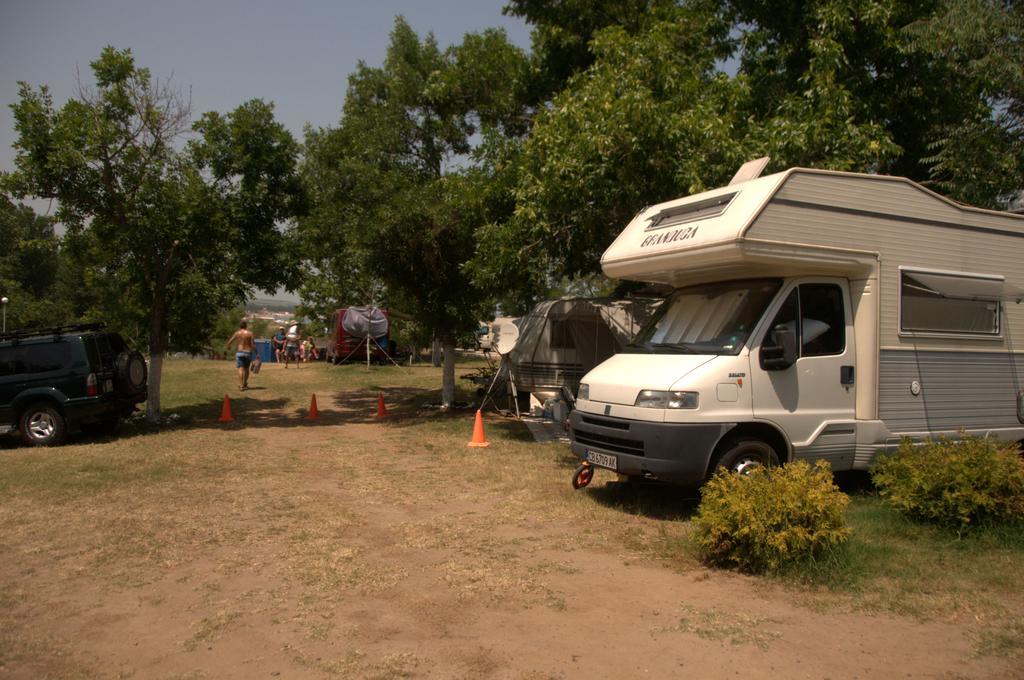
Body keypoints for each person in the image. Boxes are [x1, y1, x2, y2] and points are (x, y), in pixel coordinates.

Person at [226, 321, 256, 390]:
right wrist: (256, 353)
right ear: (246, 326)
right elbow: (253, 344)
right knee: (246, 369)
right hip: (248, 352)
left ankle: (241, 385)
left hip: (240, 352)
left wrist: (228, 346)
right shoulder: (250, 333)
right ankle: (245, 383)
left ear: (240, 326)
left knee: (240, 368)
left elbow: (230, 341)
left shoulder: (237, 333)